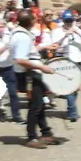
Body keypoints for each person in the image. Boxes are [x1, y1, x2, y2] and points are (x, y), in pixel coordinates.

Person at [10, 9, 60, 149]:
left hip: (30, 73)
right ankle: (31, 137)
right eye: (35, 18)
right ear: (31, 21)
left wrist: (44, 48)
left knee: (40, 105)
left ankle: (45, 133)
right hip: (29, 75)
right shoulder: (22, 37)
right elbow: (20, 59)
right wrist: (43, 68)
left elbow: (27, 53)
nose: (37, 20)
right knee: (35, 106)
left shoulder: (21, 34)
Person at [51, 13, 81, 122]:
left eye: (71, 21)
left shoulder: (78, 30)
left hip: (78, 61)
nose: (69, 23)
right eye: (67, 21)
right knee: (68, 87)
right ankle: (73, 112)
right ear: (63, 21)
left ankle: (70, 109)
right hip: (64, 61)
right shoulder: (57, 31)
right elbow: (54, 46)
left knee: (75, 87)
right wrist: (65, 36)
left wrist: (79, 33)